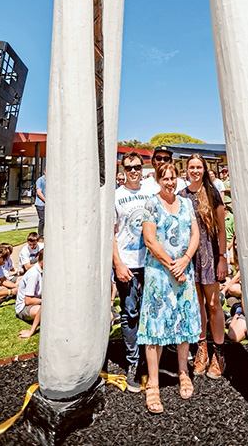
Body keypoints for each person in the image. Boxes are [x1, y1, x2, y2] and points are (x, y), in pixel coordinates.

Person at [137, 162, 200, 413]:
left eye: (174, 178)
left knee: (183, 323)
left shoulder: (186, 203)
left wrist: (184, 261)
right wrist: (172, 264)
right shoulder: (151, 204)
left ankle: (183, 371)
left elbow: (194, 234)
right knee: (155, 328)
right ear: (158, 180)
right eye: (165, 178)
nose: (170, 182)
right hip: (159, 275)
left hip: (184, 272)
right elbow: (150, 240)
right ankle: (153, 384)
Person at [179, 154, 228, 379]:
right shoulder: (181, 196)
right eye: (192, 167)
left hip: (210, 254)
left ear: (204, 169)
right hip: (190, 256)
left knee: (213, 304)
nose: (195, 170)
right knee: (197, 305)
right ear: (187, 169)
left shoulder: (213, 193)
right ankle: (202, 350)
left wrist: (222, 257)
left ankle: (219, 353)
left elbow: (221, 229)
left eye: (199, 167)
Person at [113, 151, 152, 392]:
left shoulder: (150, 192)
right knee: (129, 313)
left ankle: (154, 360)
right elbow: (110, 233)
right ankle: (133, 363)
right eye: (129, 168)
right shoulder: (116, 197)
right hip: (127, 263)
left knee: (152, 310)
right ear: (123, 171)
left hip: (150, 262)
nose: (134, 171)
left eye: (137, 166)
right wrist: (117, 263)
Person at [16, 249, 43, 339]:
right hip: (24, 307)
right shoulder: (34, 274)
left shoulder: (42, 271)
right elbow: (28, 300)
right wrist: (45, 300)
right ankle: (32, 330)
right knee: (44, 309)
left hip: (36, 301)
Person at [34, 168, 46, 239]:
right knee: (42, 219)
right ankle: (40, 235)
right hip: (40, 204)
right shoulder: (40, 180)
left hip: (46, 204)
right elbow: (39, 192)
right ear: (44, 171)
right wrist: (45, 201)